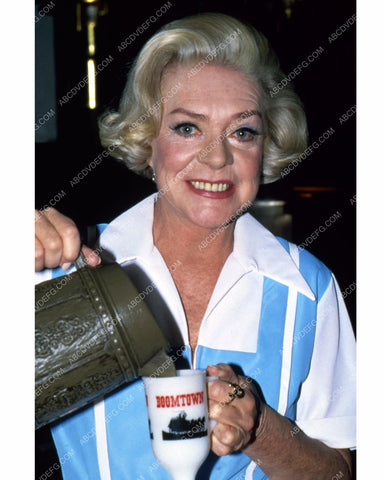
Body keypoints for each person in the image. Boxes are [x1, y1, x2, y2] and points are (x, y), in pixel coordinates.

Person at [35, 12, 356, 480]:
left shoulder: (309, 289)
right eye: (188, 128)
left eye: (242, 132)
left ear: (266, 149)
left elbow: (337, 473)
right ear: (147, 141)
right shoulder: (64, 272)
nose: (218, 156)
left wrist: (261, 429)